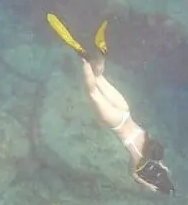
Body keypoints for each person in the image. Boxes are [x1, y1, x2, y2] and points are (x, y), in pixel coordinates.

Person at [46, 13, 175, 195]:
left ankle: (101, 53)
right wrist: (150, 186)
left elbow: (156, 154)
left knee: (99, 77)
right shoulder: (138, 158)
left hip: (125, 110)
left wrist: (163, 165)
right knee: (92, 92)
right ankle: (82, 56)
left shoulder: (148, 136)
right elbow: (134, 175)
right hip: (115, 122)